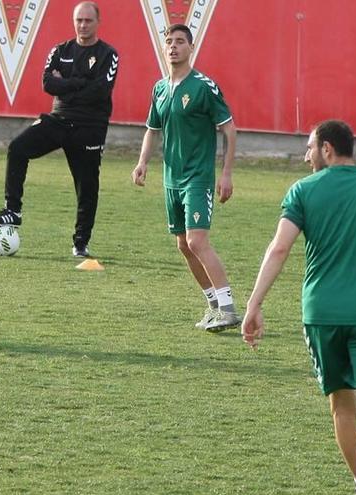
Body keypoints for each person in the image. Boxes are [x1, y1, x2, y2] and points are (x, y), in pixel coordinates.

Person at [241, 120, 356, 495]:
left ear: (327, 149)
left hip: (321, 315)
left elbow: (279, 248)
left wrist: (254, 304)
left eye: (309, 148)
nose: (305, 156)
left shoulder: (303, 191)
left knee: (342, 408)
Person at [0, 1, 119, 258]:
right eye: (79, 20)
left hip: (89, 127)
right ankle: (13, 209)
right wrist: (81, 84)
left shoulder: (108, 55)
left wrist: (66, 84)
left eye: (88, 20)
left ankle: (81, 242)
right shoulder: (60, 50)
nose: (83, 25)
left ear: (97, 22)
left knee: (87, 186)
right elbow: (48, 84)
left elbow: (100, 90)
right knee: (18, 148)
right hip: (58, 119)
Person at [131, 23, 240, 333]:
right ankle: (214, 305)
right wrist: (142, 163)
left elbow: (229, 130)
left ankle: (229, 309)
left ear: (191, 48)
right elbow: (153, 129)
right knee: (183, 244)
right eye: (169, 42)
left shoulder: (204, 86)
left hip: (198, 177)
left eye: (180, 41)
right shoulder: (160, 88)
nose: (174, 46)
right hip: (171, 179)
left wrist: (226, 173)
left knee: (197, 240)